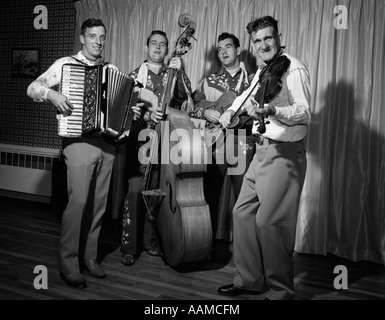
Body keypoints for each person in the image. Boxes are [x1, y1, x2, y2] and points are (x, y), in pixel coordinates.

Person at [217, 16, 311, 300]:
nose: (262, 45)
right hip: (261, 150)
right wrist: (231, 111)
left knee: (271, 223)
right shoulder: (264, 70)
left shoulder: (293, 69)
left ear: (278, 37)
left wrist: (274, 111)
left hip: (283, 154)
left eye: (267, 38)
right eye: (257, 41)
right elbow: (246, 95)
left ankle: (281, 291)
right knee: (242, 212)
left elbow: (305, 112)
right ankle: (250, 280)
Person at [27, 18, 118, 289]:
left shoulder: (111, 69)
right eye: (92, 36)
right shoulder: (65, 64)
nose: (98, 41)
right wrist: (52, 96)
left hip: (108, 145)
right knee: (77, 204)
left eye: (102, 36)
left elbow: (120, 103)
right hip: (77, 143)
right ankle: (69, 265)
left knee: (98, 207)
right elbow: (32, 87)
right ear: (82, 38)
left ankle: (90, 258)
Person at [120, 30, 193, 267]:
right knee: (134, 191)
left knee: (157, 191)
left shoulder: (173, 72)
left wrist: (180, 70)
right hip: (141, 139)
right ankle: (129, 246)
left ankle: (150, 242)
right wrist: (145, 113)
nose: (158, 48)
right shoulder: (133, 76)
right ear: (146, 47)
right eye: (154, 44)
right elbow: (123, 111)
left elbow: (186, 100)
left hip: (167, 139)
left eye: (163, 45)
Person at [190, 32, 255, 239]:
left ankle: (245, 250)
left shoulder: (253, 81)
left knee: (245, 197)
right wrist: (205, 111)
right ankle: (204, 243)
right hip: (214, 141)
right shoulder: (208, 81)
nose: (223, 51)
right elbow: (192, 107)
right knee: (209, 193)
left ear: (238, 50)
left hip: (242, 143)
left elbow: (259, 113)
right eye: (219, 49)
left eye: (228, 47)